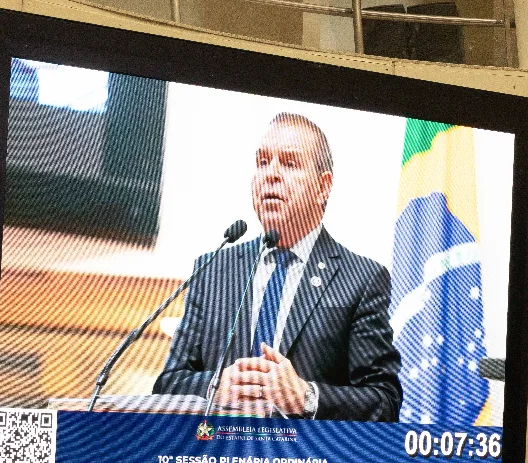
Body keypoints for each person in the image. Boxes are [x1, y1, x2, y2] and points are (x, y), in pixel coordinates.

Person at [153, 113, 402, 421]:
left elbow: (384, 401)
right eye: (262, 162)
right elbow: (167, 384)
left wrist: (307, 397)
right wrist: (214, 387)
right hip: (216, 461)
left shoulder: (361, 280)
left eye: (289, 163)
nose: (270, 174)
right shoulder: (213, 270)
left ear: (323, 187)